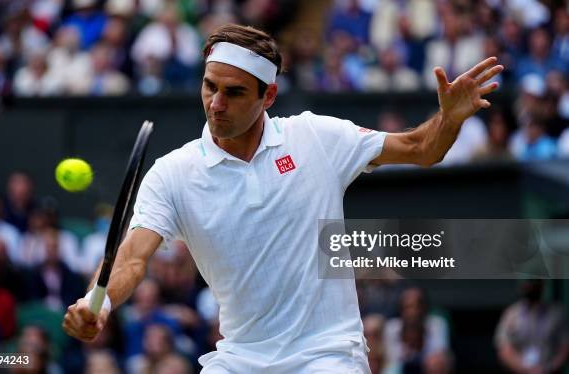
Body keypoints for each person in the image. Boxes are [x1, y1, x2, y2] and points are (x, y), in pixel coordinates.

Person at [63, 24, 503, 373]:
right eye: (209, 86)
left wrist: (449, 118)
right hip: (238, 358)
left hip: (327, 354)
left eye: (234, 93)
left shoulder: (316, 136)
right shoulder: (173, 173)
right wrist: (94, 305)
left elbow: (420, 149)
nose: (216, 103)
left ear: (268, 96)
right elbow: (130, 259)